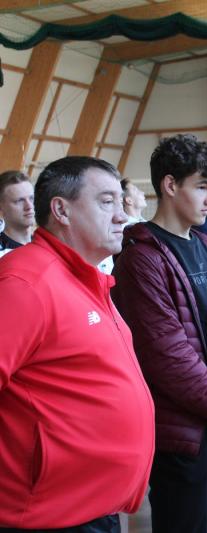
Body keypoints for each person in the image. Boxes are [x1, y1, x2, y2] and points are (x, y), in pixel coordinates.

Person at [111, 134, 207, 533]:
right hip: (186, 435)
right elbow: (169, 359)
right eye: (202, 187)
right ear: (169, 185)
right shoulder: (141, 258)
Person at [0, 156, 155, 532]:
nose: (121, 216)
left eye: (121, 202)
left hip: (90, 506)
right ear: (61, 210)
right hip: (47, 515)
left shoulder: (84, 278)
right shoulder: (25, 284)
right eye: (106, 202)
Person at [0, 170, 34, 252]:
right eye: (20, 201)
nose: (29, 206)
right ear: (1, 207)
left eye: (31, 198)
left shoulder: (48, 244)